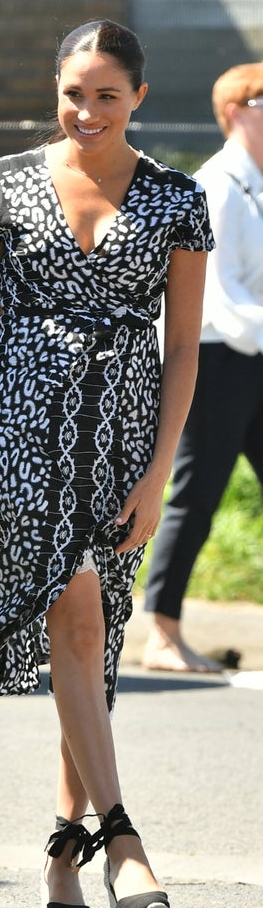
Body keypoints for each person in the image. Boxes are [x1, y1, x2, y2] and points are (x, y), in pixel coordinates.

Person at [0, 19, 213, 908]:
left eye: (106, 93)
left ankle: (64, 851)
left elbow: (183, 352)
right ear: (53, 90)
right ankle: (125, 842)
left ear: (137, 96)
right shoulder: (1, 184)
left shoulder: (177, 200)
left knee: (88, 644)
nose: (86, 109)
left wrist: (160, 467)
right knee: (79, 610)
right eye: (72, 91)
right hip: (23, 429)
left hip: (127, 442)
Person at [143, 63, 263, 673]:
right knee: (196, 495)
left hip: (255, 358)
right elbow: (218, 294)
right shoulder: (215, 184)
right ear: (235, 111)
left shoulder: (258, 185)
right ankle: (162, 634)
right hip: (216, 360)